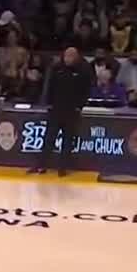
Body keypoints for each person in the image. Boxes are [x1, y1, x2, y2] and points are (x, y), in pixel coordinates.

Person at [31, 47, 94, 177]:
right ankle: (41, 165)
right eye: (66, 56)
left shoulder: (83, 70)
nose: (68, 59)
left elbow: (86, 90)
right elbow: (50, 86)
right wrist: (48, 103)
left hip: (71, 111)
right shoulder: (57, 68)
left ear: (76, 57)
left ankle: (62, 167)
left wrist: (79, 106)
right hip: (56, 110)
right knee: (49, 138)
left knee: (67, 140)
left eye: (71, 56)